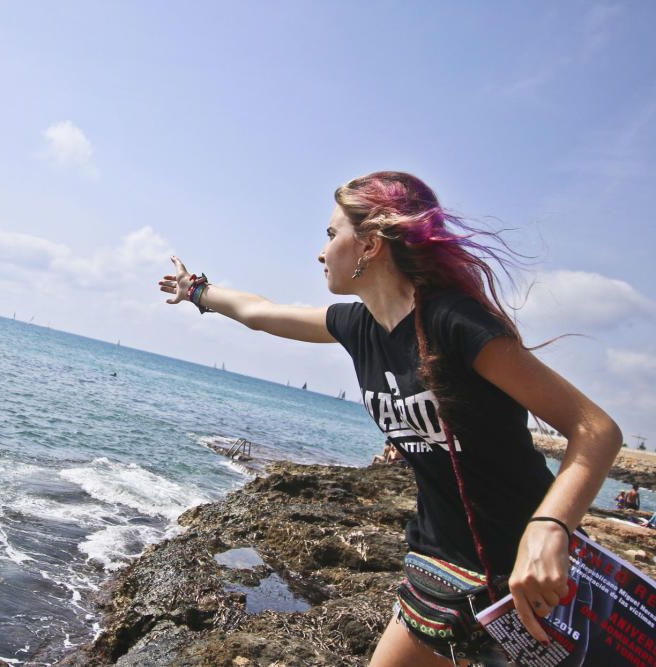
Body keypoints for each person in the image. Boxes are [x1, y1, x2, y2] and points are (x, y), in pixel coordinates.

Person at [158, 171, 622, 666]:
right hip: (439, 570)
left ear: (371, 245)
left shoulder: (454, 324)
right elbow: (258, 312)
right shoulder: (358, 326)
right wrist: (198, 290)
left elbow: (595, 430)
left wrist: (550, 528)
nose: (321, 252)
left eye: (332, 235)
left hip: (531, 581)